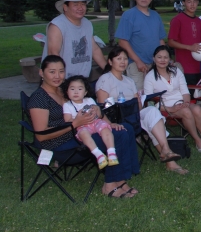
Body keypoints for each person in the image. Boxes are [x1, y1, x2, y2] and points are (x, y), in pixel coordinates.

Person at [28, 55, 139, 198]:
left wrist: (106, 119)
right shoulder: (39, 98)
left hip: (83, 131)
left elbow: (90, 107)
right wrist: (75, 124)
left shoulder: (66, 89)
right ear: (41, 73)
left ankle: (120, 179)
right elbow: (41, 135)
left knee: (125, 128)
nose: (57, 76)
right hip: (60, 145)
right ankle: (111, 184)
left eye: (61, 71)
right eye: (52, 72)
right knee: (118, 136)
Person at [96, 46, 186, 174]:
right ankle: (169, 160)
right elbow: (103, 107)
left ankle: (166, 150)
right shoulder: (105, 79)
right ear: (110, 61)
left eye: (125, 59)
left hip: (132, 115)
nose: (123, 62)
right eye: (119, 59)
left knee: (152, 112)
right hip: (116, 119)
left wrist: (137, 101)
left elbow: (138, 106)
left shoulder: (129, 81)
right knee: (151, 120)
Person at [144, 45, 201, 152]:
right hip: (165, 107)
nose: (163, 60)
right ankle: (198, 140)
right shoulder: (150, 77)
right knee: (186, 112)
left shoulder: (176, 71)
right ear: (154, 59)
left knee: (197, 110)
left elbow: (185, 91)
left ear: (170, 59)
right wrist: (170, 109)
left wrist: (186, 102)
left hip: (182, 102)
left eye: (166, 57)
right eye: (159, 57)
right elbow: (149, 102)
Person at [43, 0, 106, 79]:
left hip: (82, 80)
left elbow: (95, 50)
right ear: (65, 7)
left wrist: (109, 71)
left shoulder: (87, 23)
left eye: (83, 4)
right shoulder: (57, 26)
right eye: (75, 4)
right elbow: (53, 53)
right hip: (61, 80)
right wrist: (61, 80)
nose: (80, 8)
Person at [115, 0, 167, 89]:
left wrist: (166, 58)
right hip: (136, 64)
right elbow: (122, 42)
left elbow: (160, 40)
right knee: (139, 93)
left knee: (158, 92)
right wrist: (138, 61)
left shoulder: (156, 16)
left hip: (156, 64)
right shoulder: (129, 15)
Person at [62, 75, 119, 169]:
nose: (76, 92)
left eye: (80, 89)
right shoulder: (67, 105)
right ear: (67, 91)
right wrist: (78, 119)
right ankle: (99, 155)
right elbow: (67, 120)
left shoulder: (89, 100)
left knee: (105, 129)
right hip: (82, 126)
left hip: (95, 122)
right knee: (83, 134)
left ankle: (111, 152)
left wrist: (95, 111)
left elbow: (97, 113)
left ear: (85, 92)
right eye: (72, 89)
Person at [167, 0, 201, 85]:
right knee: (187, 92)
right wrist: (189, 47)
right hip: (184, 67)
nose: (192, 4)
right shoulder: (177, 20)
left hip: (198, 66)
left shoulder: (199, 21)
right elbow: (170, 42)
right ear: (184, 3)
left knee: (199, 92)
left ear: (198, 2)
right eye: (189, 2)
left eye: (194, 1)